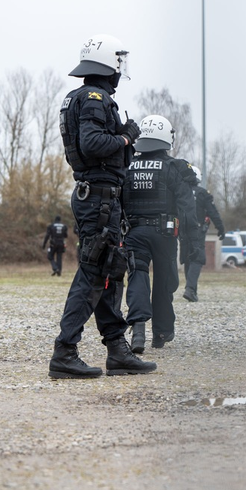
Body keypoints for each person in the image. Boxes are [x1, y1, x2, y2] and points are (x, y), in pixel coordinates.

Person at [49, 33, 156, 379]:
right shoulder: (95, 98)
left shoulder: (76, 97)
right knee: (95, 271)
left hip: (96, 195)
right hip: (99, 197)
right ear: (109, 67)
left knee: (110, 268)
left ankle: (117, 349)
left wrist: (121, 138)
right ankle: (65, 350)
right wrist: (127, 136)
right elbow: (92, 143)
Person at [123, 115, 200, 353]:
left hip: (134, 231)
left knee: (137, 276)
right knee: (165, 281)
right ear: (167, 138)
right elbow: (187, 208)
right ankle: (161, 333)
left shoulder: (126, 165)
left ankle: (137, 332)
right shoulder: (175, 167)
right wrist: (190, 242)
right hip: (165, 233)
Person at [181, 166, 225, 302]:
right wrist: (220, 228)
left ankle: (191, 289)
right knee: (197, 258)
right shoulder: (202, 193)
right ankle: (190, 289)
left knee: (188, 258)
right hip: (197, 230)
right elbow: (213, 212)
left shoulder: (180, 192)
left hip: (182, 231)